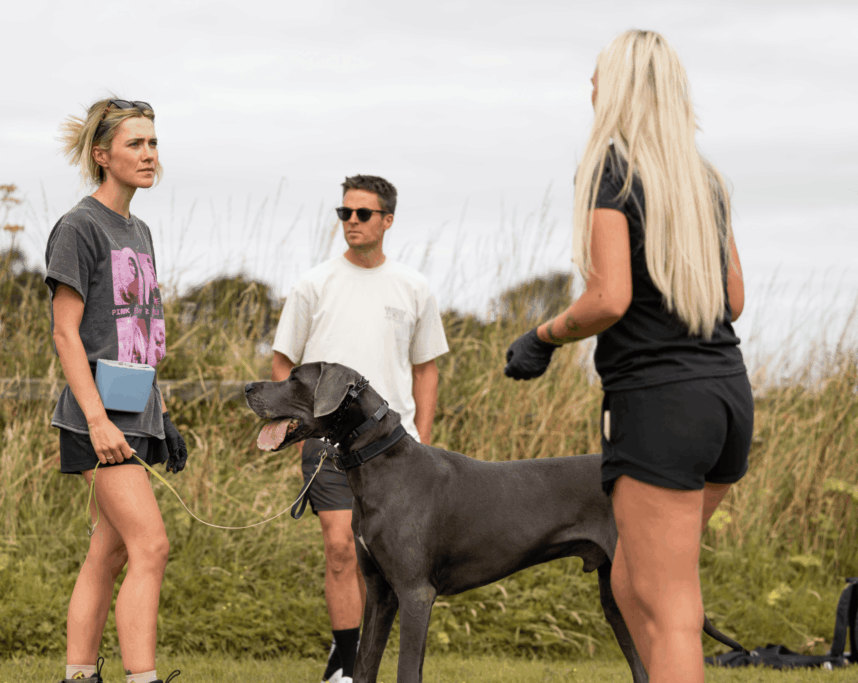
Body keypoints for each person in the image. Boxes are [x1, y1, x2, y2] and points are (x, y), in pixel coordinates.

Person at [504, 30, 751, 683]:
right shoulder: (708, 182)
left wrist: (543, 336)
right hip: (726, 399)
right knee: (631, 580)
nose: (589, 88)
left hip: (659, 407)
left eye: (596, 76)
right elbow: (733, 296)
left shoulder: (610, 172)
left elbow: (608, 298)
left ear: (617, 90)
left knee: (672, 608)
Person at [271, 175, 450, 683]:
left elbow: (426, 369)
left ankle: (381, 664)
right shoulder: (313, 285)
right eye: (344, 213)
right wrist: (294, 424)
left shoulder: (414, 288)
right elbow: (285, 361)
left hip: (398, 450)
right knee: (340, 547)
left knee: (397, 564)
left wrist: (424, 438)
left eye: (363, 214)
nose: (351, 222)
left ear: (387, 220)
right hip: (330, 445)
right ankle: (346, 663)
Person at [47, 97, 186, 683]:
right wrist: (99, 420)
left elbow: (134, 331)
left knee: (110, 550)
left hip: (137, 411)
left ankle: (79, 677)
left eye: (153, 143)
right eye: (136, 144)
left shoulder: (140, 229)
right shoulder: (79, 227)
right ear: (102, 156)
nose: (150, 154)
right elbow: (66, 333)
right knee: (151, 545)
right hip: (96, 417)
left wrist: (161, 413)